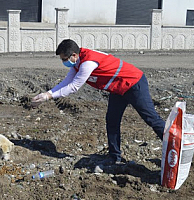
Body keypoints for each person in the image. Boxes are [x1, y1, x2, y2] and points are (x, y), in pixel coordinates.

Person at [31, 39, 165, 167]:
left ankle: (175, 146)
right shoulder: (77, 62)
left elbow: (74, 87)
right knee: (112, 120)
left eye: (64, 59)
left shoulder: (88, 63)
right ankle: (114, 156)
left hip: (133, 83)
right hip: (118, 88)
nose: (63, 62)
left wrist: (49, 96)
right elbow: (67, 81)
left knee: (151, 118)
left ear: (74, 55)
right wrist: (47, 93)